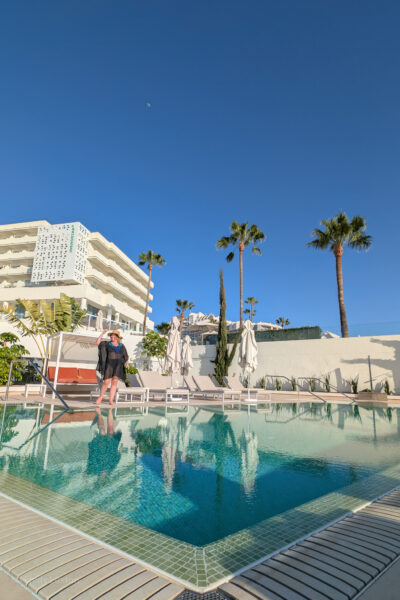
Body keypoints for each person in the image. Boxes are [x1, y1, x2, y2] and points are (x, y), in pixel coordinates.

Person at [96, 329, 129, 405]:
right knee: (106, 382)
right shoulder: (107, 344)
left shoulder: (122, 346)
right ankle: (100, 397)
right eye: (111, 335)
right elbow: (98, 343)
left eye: (114, 335)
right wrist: (102, 333)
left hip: (118, 365)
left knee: (114, 382)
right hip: (109, 364)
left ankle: (111, 400)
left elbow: (125, 355)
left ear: (117, 337)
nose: (112, 336)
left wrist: (127, 363)